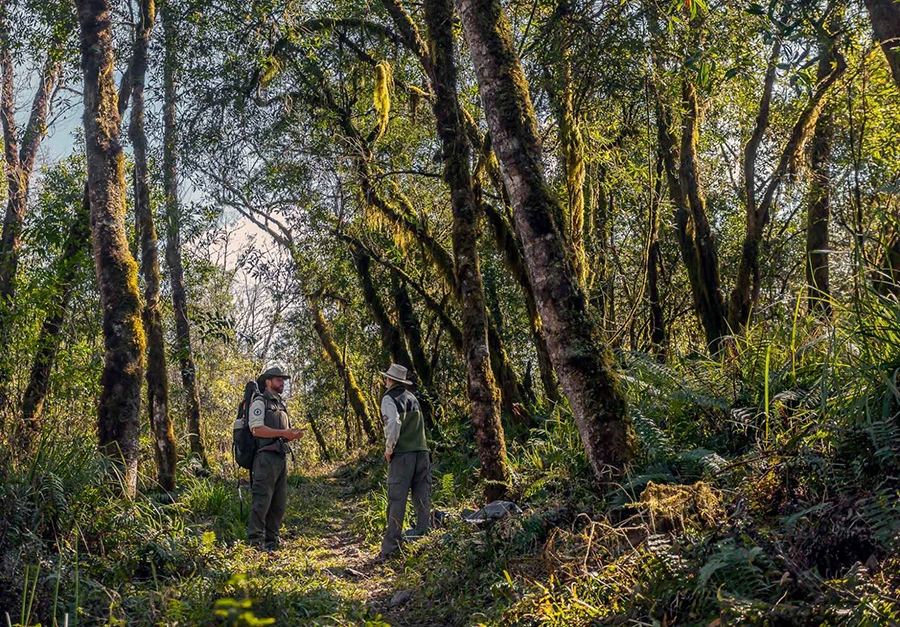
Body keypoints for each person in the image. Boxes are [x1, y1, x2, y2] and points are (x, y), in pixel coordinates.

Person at [379, 363, 431, 560]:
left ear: (390, 380)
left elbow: (393, 423)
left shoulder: (389, 398)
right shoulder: (412, 397)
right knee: (422, 497)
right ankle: (423, 539)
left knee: (397, 499)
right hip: (422, 452)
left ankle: (391, 547)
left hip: (403, 454)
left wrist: (389, 449)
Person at [247, 366, 302, 551]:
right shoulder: (259, 402)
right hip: (265, 459)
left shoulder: (280, 404)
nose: (282, 383)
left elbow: (282, 432)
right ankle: (255, 543)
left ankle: (273, 542)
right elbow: (256, 429)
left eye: (283, 380)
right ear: (268, 382)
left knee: (278, 503)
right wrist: (282, 432)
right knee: (261, 501)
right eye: (278, 380)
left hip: (280, 458)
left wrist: (291, 435)